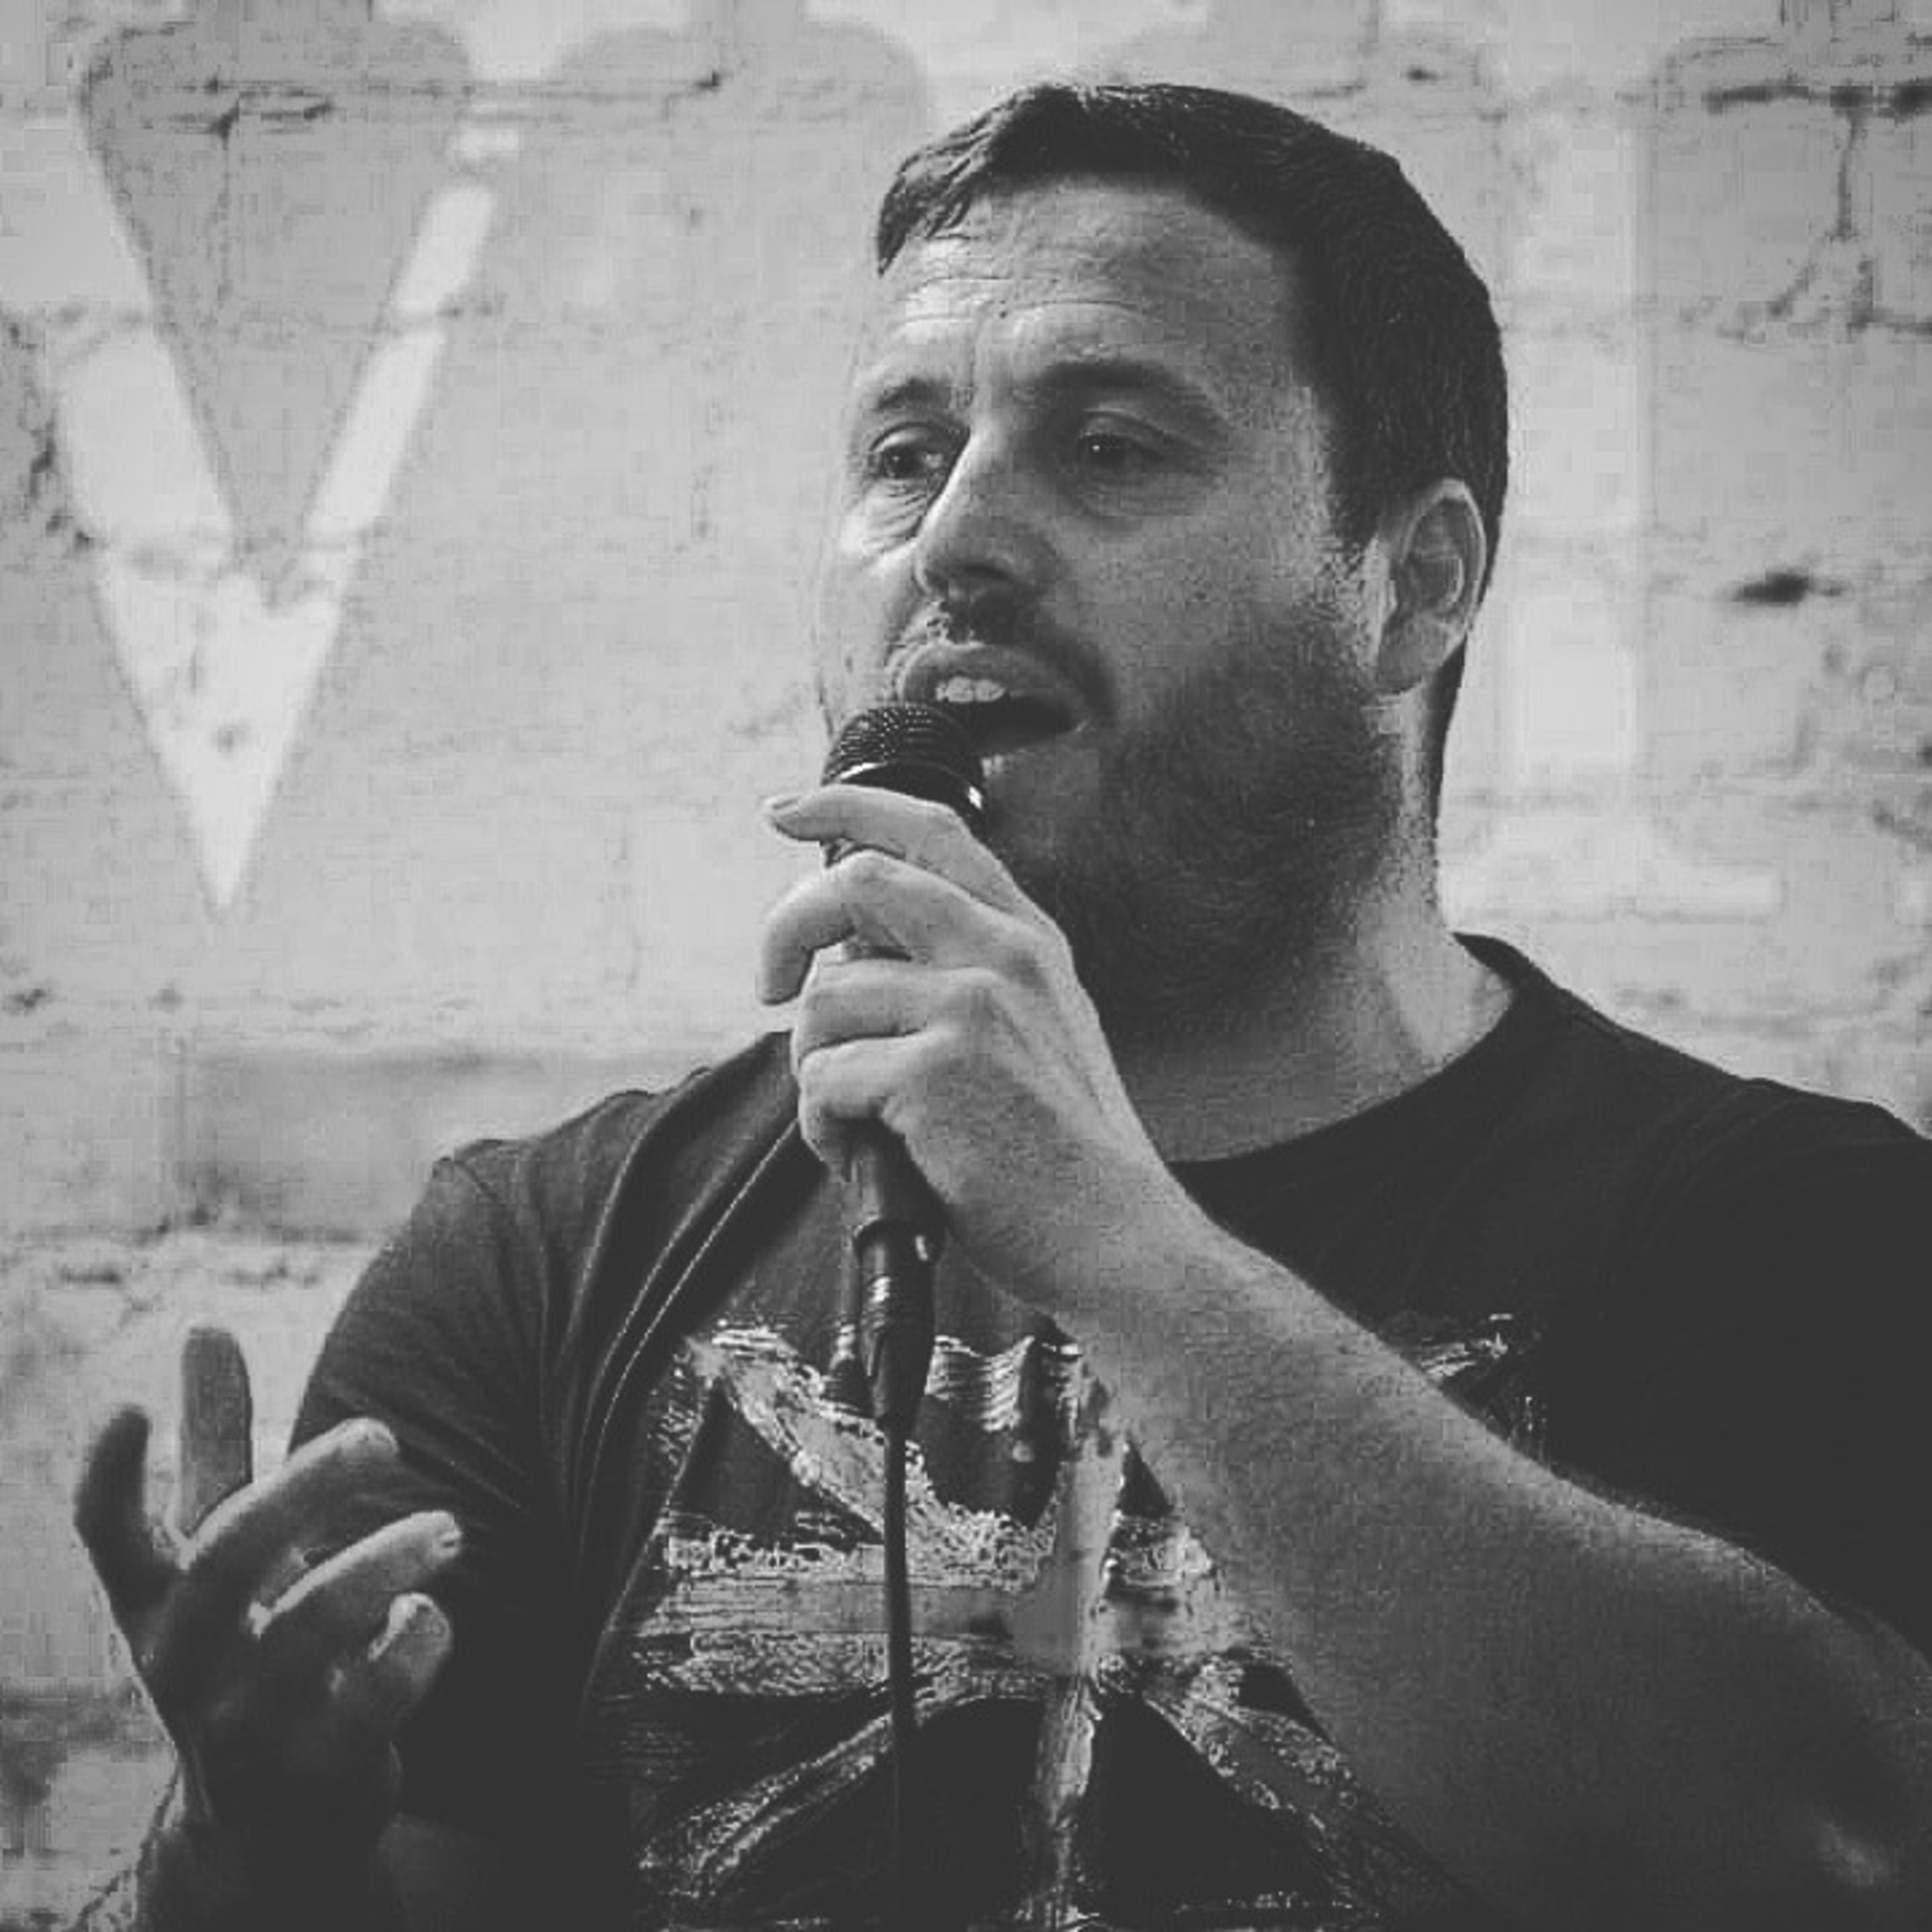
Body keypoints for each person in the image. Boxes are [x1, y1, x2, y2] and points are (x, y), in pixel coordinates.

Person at [71, 80, 1932, 1932]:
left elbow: (1838, 1858)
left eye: (1110, 448)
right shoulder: (538, 1264)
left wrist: (1120, 1242)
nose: (952, 539)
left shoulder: (1787, 1227)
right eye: (903, 455)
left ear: (1412, 586)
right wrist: (245, 1855)